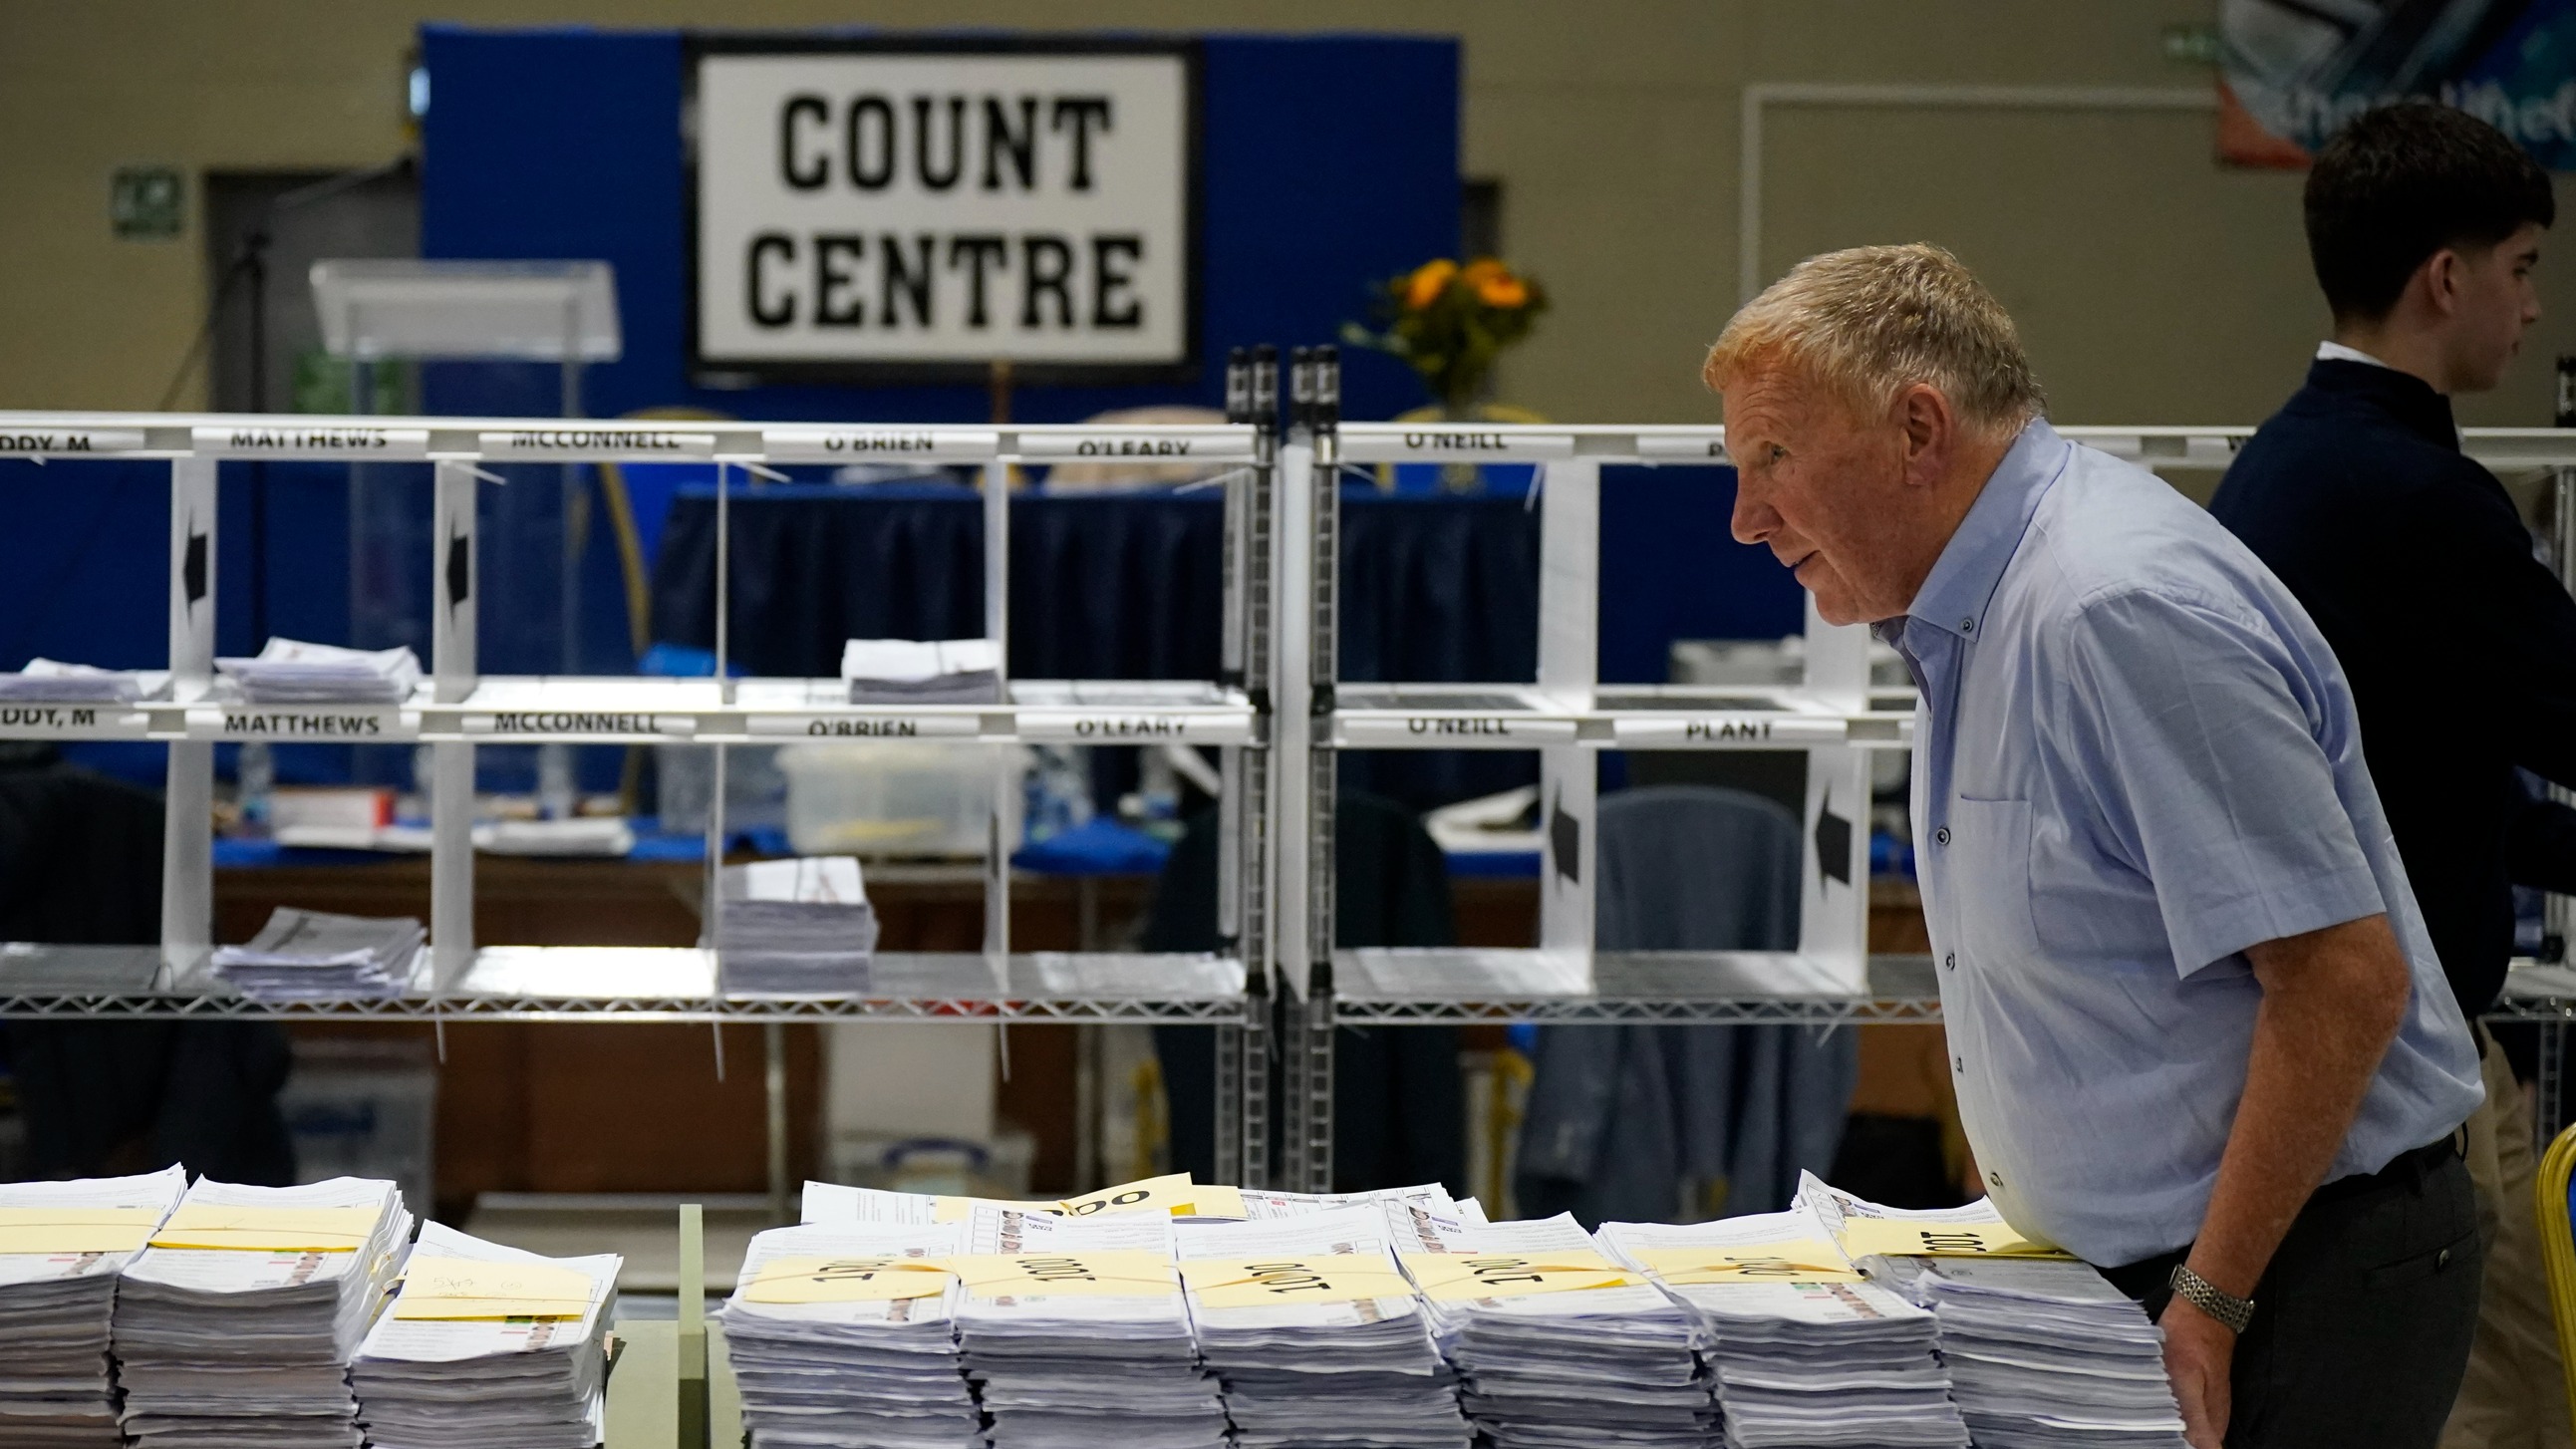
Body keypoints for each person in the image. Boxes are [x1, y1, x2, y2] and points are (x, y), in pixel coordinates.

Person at [1708, 242, 2486, 1449]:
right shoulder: (1977, 609)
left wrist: (2210, 1301)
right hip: (2174, 1272)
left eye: (1772, 460)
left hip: (2292, 1273)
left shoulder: (2111, 607)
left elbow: (2341, 978)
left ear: (1918, 428)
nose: (1745, 520)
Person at [2207, 101, 2568, 1449]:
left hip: (2350, 1041)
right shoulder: (2415, 498)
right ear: (2446, 278)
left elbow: (2425, 778)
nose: (2532, 306)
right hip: (2408, 1059)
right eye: (2523, 265)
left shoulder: (2280, 466)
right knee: (2501, 1412)